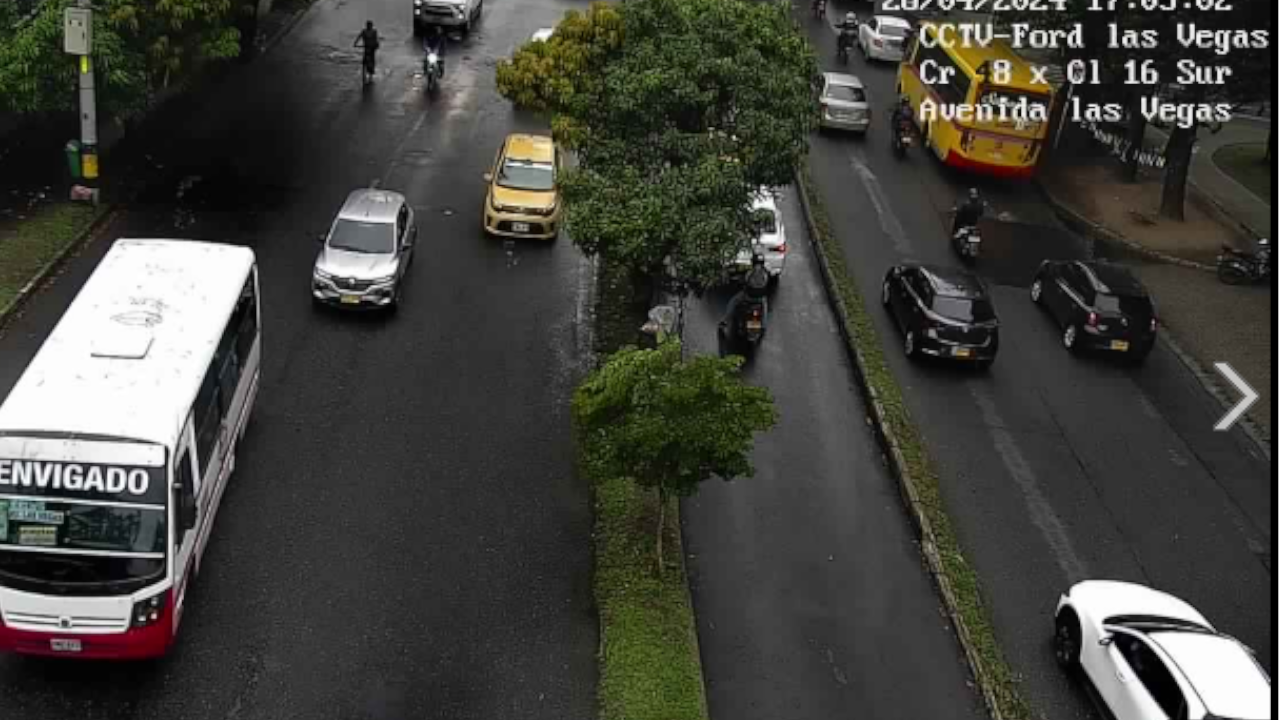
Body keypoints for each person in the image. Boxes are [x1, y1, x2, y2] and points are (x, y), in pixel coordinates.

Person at [719, 254, 770, 337]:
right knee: (765, 306)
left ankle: (725, 321)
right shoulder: (765, 272)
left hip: (748, 296)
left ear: (753, 262)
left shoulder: (750, 271)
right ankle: (763, 326)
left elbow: (745, 280)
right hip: (760, 299)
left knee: (733, 301)